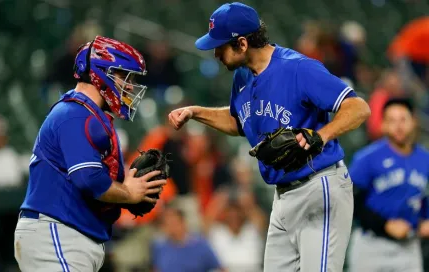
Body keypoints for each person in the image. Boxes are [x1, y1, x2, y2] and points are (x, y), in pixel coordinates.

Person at [168, 2, 371, 271]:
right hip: (283, 195)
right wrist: (195, 112)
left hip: (319, 185)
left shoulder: (298, 68)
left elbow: (358, 107)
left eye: (220, 46)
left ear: (242, 43)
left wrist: (321, 135)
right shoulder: (242, 75)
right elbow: (239, 121)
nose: (215, 53)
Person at [14, 36, 167, 272]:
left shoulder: (89, 115)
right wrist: (128, 192)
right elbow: (88, 179)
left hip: (69, 234)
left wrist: (124, 185)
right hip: (57, 231)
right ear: (100, 73)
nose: (129, 85)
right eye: (125, 76)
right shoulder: (75, 114)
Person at [348, 98, 429, 272]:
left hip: (409, 246)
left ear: (414, 121)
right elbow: (351, 202)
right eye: (391, 120)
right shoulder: (367, 158)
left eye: (403, 119)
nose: (398, 126)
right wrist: (384, 224)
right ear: (383, 124)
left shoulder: (425, 159)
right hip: (371, 245)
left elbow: (425, 197)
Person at [151, 206, 225, 272]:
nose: (171, 228)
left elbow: (221, 268)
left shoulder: (200, 245)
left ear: (183, 222)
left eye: (174, 223)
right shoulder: (159, 247)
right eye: (167, 224)